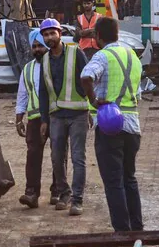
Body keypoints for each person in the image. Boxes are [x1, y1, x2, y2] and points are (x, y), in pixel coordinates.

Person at [81, 16, 144, 233]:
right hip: (133, 125)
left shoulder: (103, 55)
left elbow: (86, 76)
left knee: (113, 182)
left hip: (110, 125)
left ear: (98, 36)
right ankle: (137, 229)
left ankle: (121, 232)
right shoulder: (133, 57)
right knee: (129, 179)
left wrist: (93, 100)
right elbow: (138, 92)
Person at [38, 18, 90, 216]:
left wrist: (91, 111)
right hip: (56, 116)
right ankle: (64, 193)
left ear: (59, 33)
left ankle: (77, 200)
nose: (49, 37)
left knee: (78, 158)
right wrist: (44, 119)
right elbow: (43, 91)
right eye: (45, 34)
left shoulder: (76, 53)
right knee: (56, 157)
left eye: (52, 33)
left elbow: (88, 79)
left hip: (78, 114)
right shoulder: (44, 60)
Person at [15, 29, 51, 208]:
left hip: (55, 116)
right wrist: (19, 117)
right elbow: (22, 94)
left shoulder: (55, 65)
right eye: (34, 46)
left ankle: (58, 191)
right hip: (35, 118)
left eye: (40, 46)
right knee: (33, 155)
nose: (37, 49)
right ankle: (31, 192)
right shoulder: (28, 68)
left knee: (59, 156)